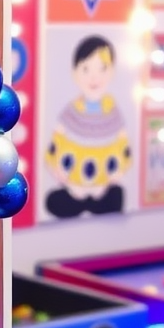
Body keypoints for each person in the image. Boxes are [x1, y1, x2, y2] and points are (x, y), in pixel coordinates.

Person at [45, 34, 131, 218]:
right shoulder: (72, 110)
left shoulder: (112, 109)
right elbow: (55, 143)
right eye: (85, 68)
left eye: (103, 68)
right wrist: (58, 171)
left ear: (112, 71)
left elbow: (124, 145)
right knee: (55, 202)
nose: (94, 77)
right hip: (74, 183)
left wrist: (118, 172)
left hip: (104, 182)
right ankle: (76, 199)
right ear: (74, 72)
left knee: (116, 197)